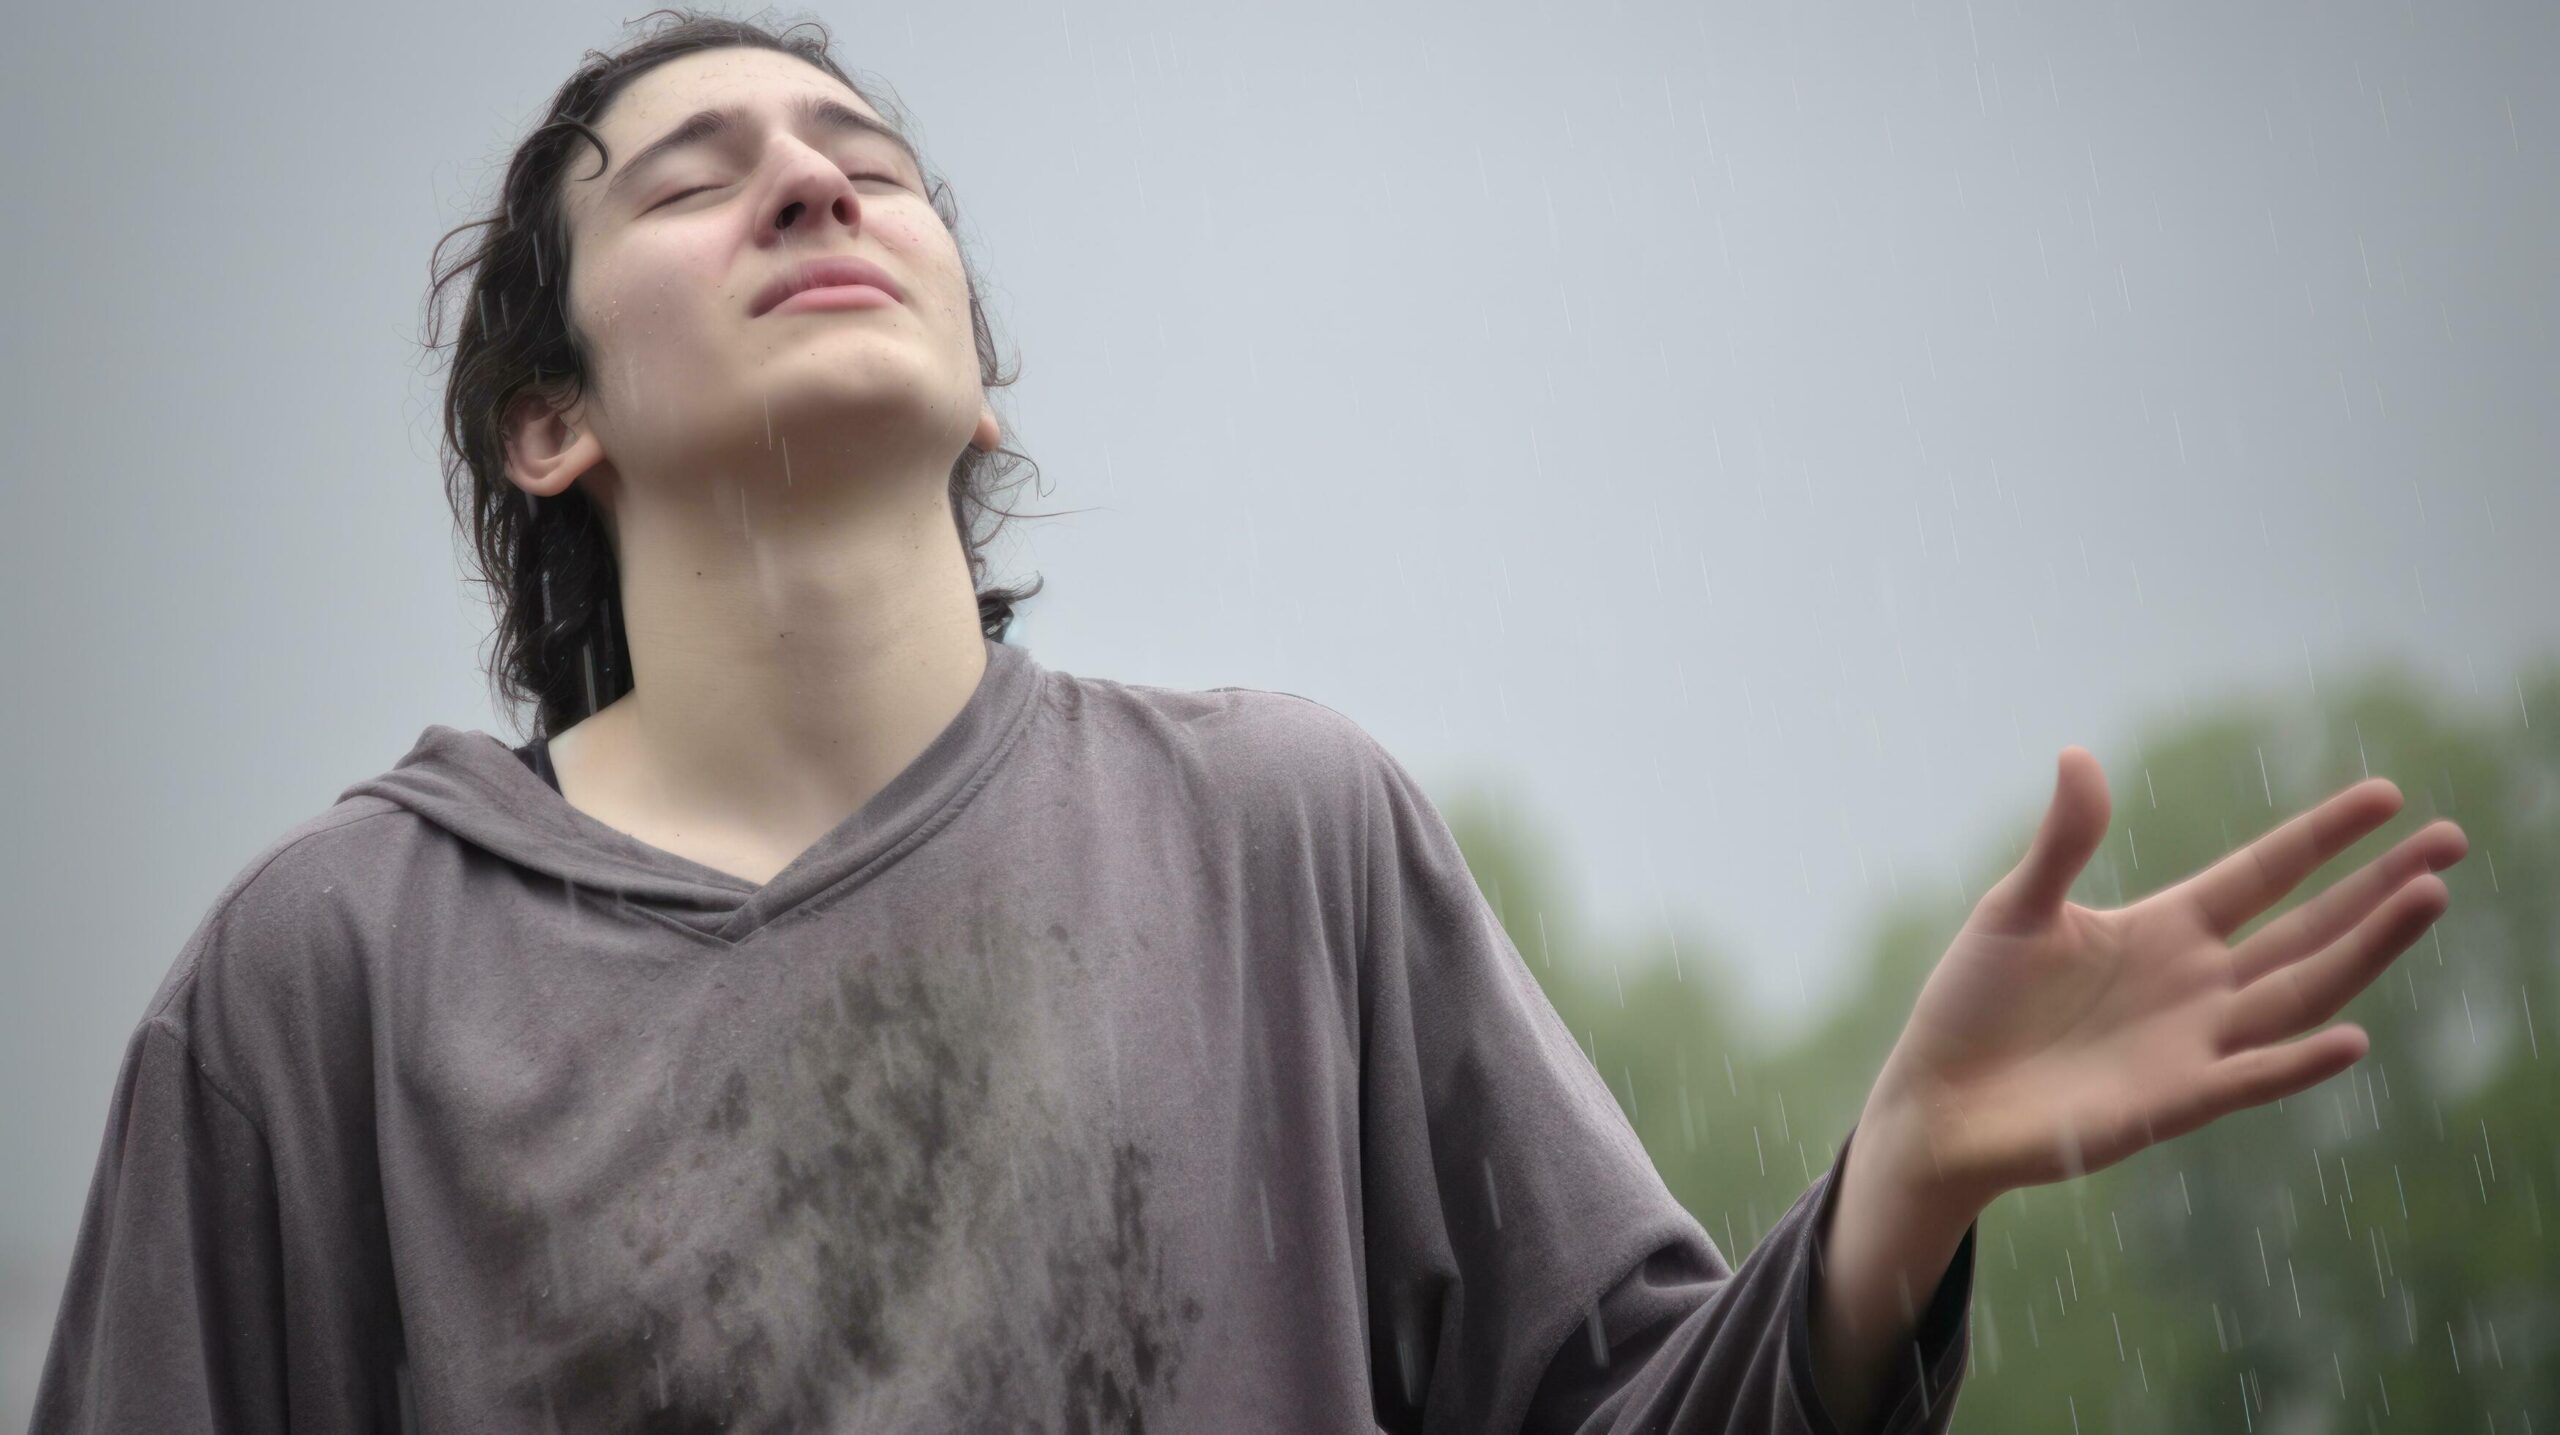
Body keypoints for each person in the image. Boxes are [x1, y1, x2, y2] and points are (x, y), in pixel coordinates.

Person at [33, 10, 2465, 1433]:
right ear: (548, 420)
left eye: (865, 161)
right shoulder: (318, 990)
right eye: (692, 180)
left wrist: (1885, 1208)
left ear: (976, 384)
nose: (808, 182)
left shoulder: (1282, 842)